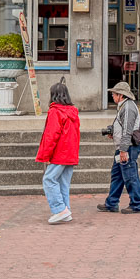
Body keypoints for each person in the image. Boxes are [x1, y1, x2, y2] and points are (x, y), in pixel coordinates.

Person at [35, 81, 80, 224]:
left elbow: (51, 135)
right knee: (63, 183)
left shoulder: (55, 111)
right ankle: (65, 210)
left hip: (60, 153)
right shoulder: (73, 111)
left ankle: (60, 210)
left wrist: (45, 155)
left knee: (49, 179)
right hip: (70, 153)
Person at [97, 81, 140, 214]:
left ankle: (137, 204)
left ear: (121, 95)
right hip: (124, 147)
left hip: (127, 148)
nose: (112, 95)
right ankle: (111, 203)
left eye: (114, 93)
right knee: (117, 175)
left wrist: (123, 149)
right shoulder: (124, 106)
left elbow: (128, 131)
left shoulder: (128, 107)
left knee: (130, 176)